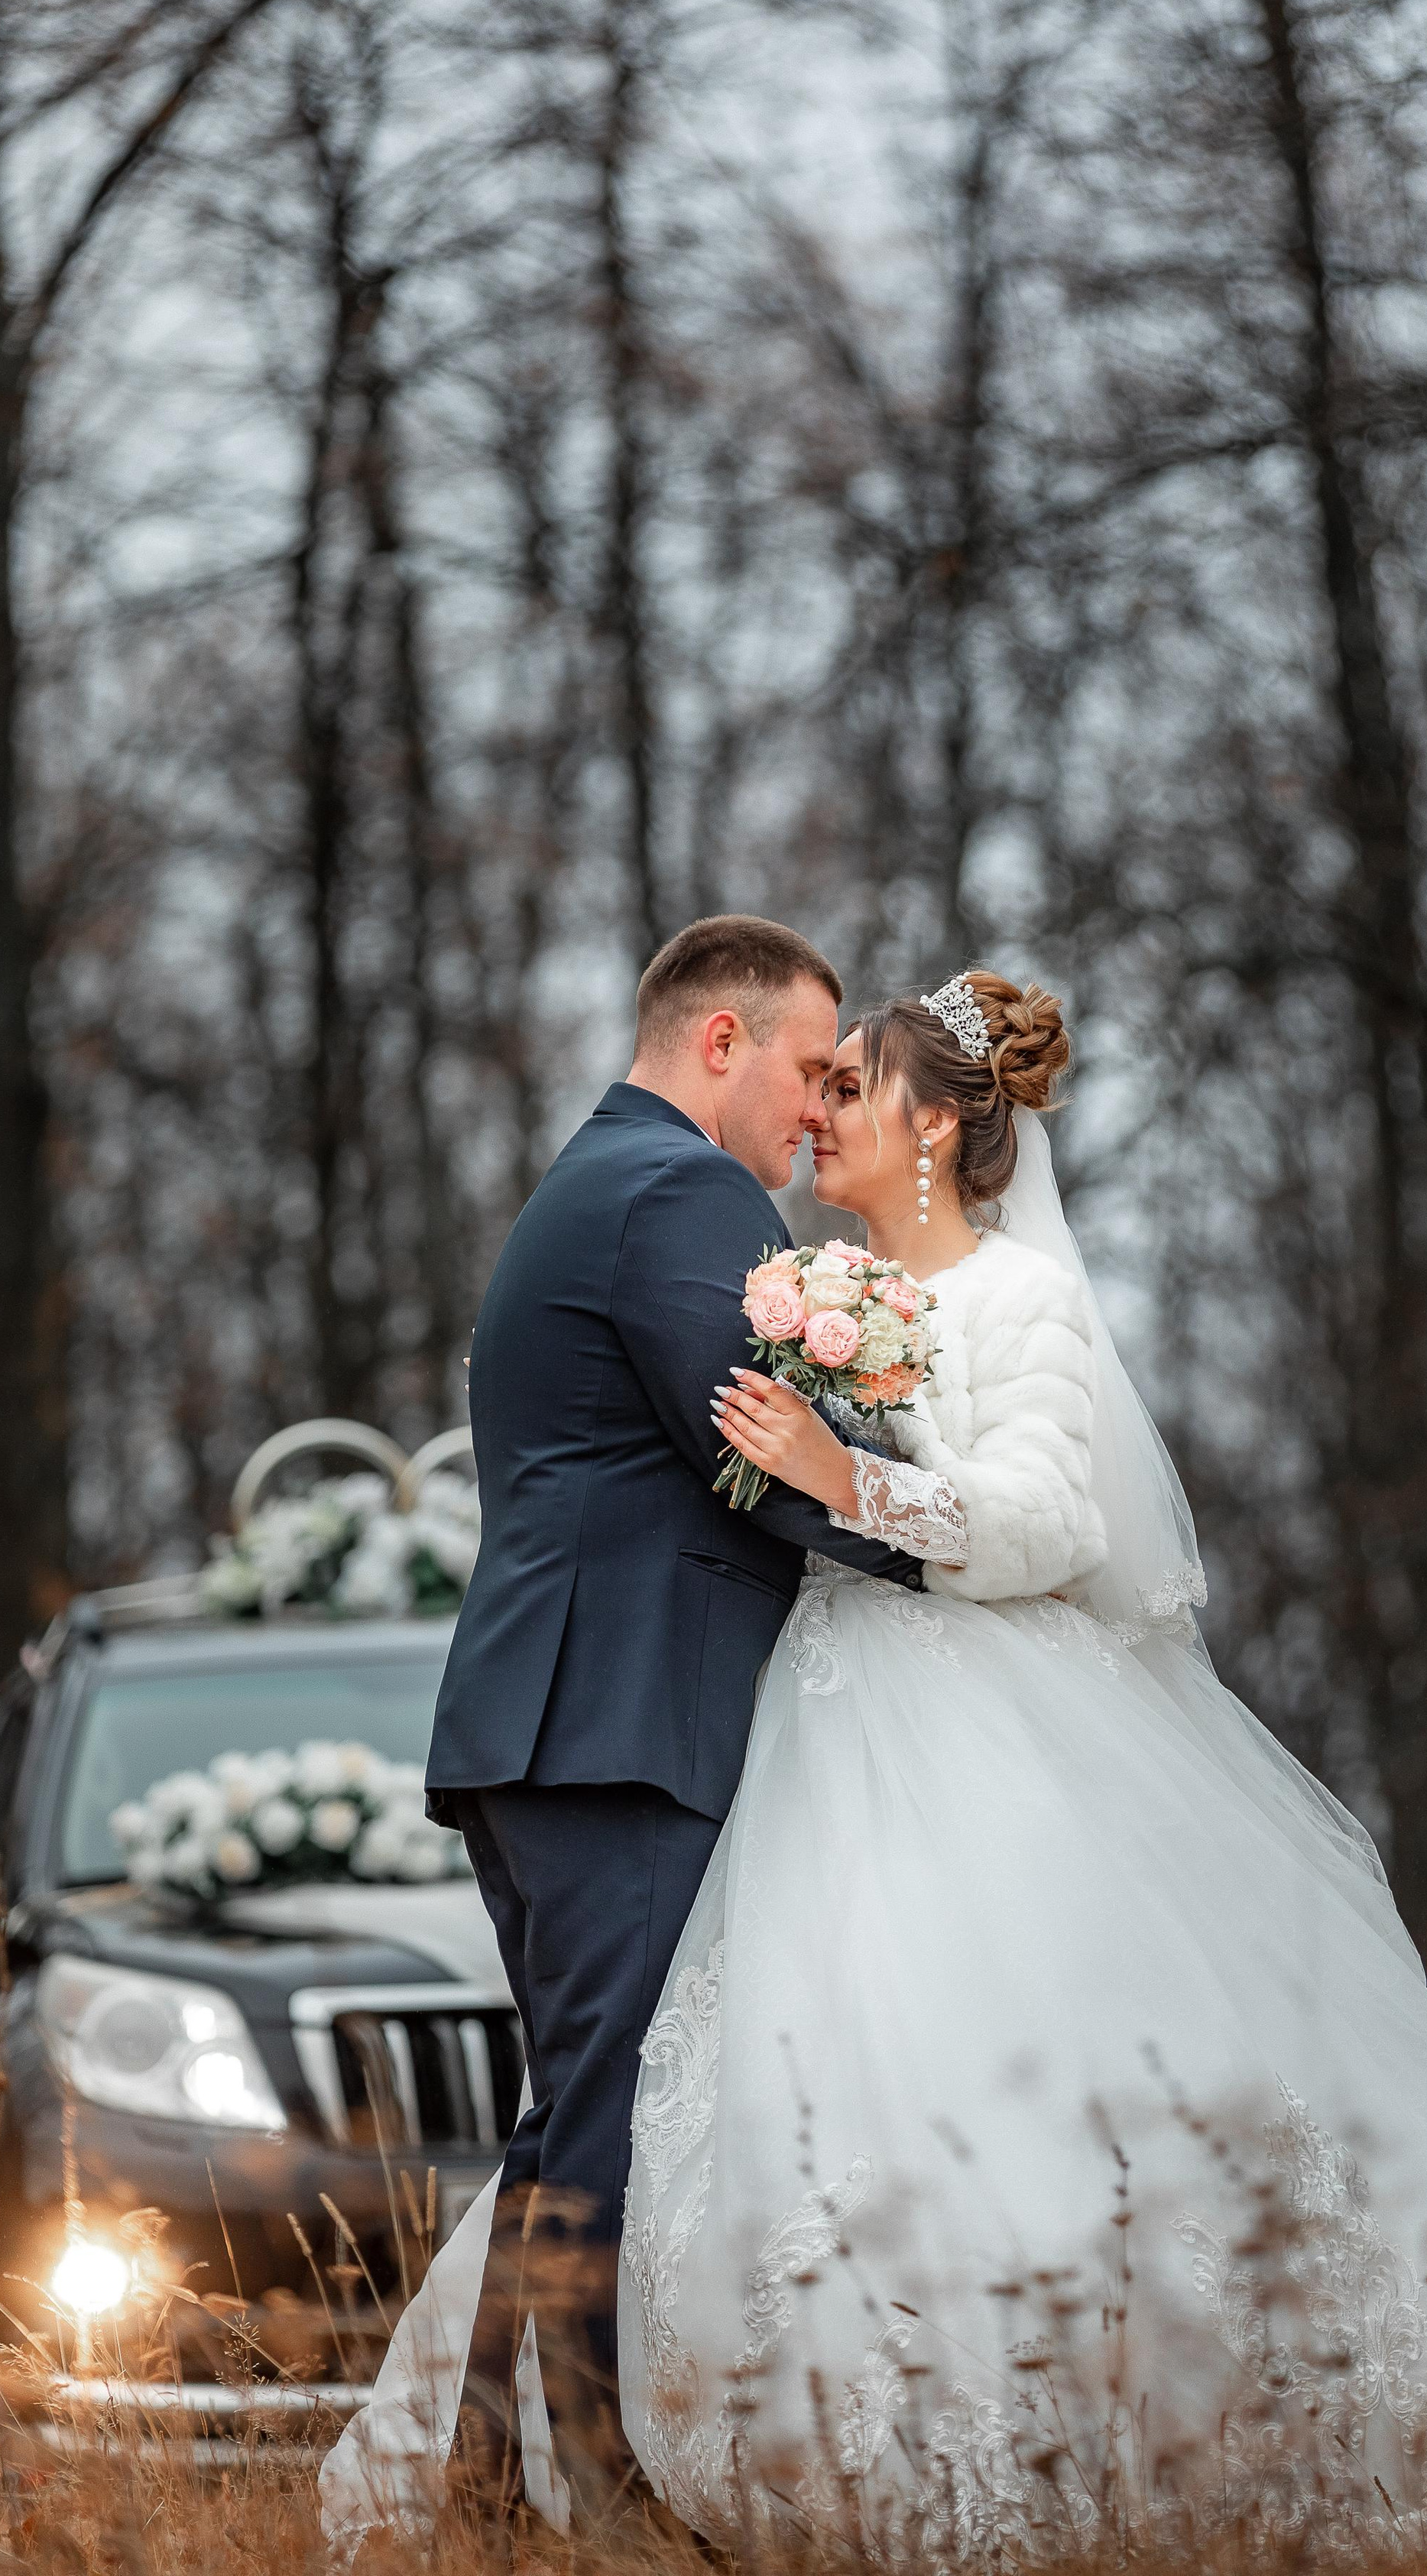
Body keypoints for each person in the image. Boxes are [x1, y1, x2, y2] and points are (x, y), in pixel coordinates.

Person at [616, 971, 1427, 2542]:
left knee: (1035, 2072)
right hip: (827, 1730)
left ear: (940, 1124)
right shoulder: (821, 1283)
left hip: (985, 1734)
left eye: (853, 1089)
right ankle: (893, 2467)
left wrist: (844, 1478)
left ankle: (1157, 2453)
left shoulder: (1020, 1304)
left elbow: (1044, 1526)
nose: (816, 1113)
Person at [387, 918, 925, 2516]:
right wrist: (939, 1541)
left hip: (563, 1719)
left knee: (578, 2106)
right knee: (608, 2107)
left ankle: (493, 2484)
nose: (820, 1113)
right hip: (608, 1724)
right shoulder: (679, 1189)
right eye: (811, 1071)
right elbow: (750, 1451)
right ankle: (600, 2488)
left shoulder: (599, 1177)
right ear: (720, 1043)